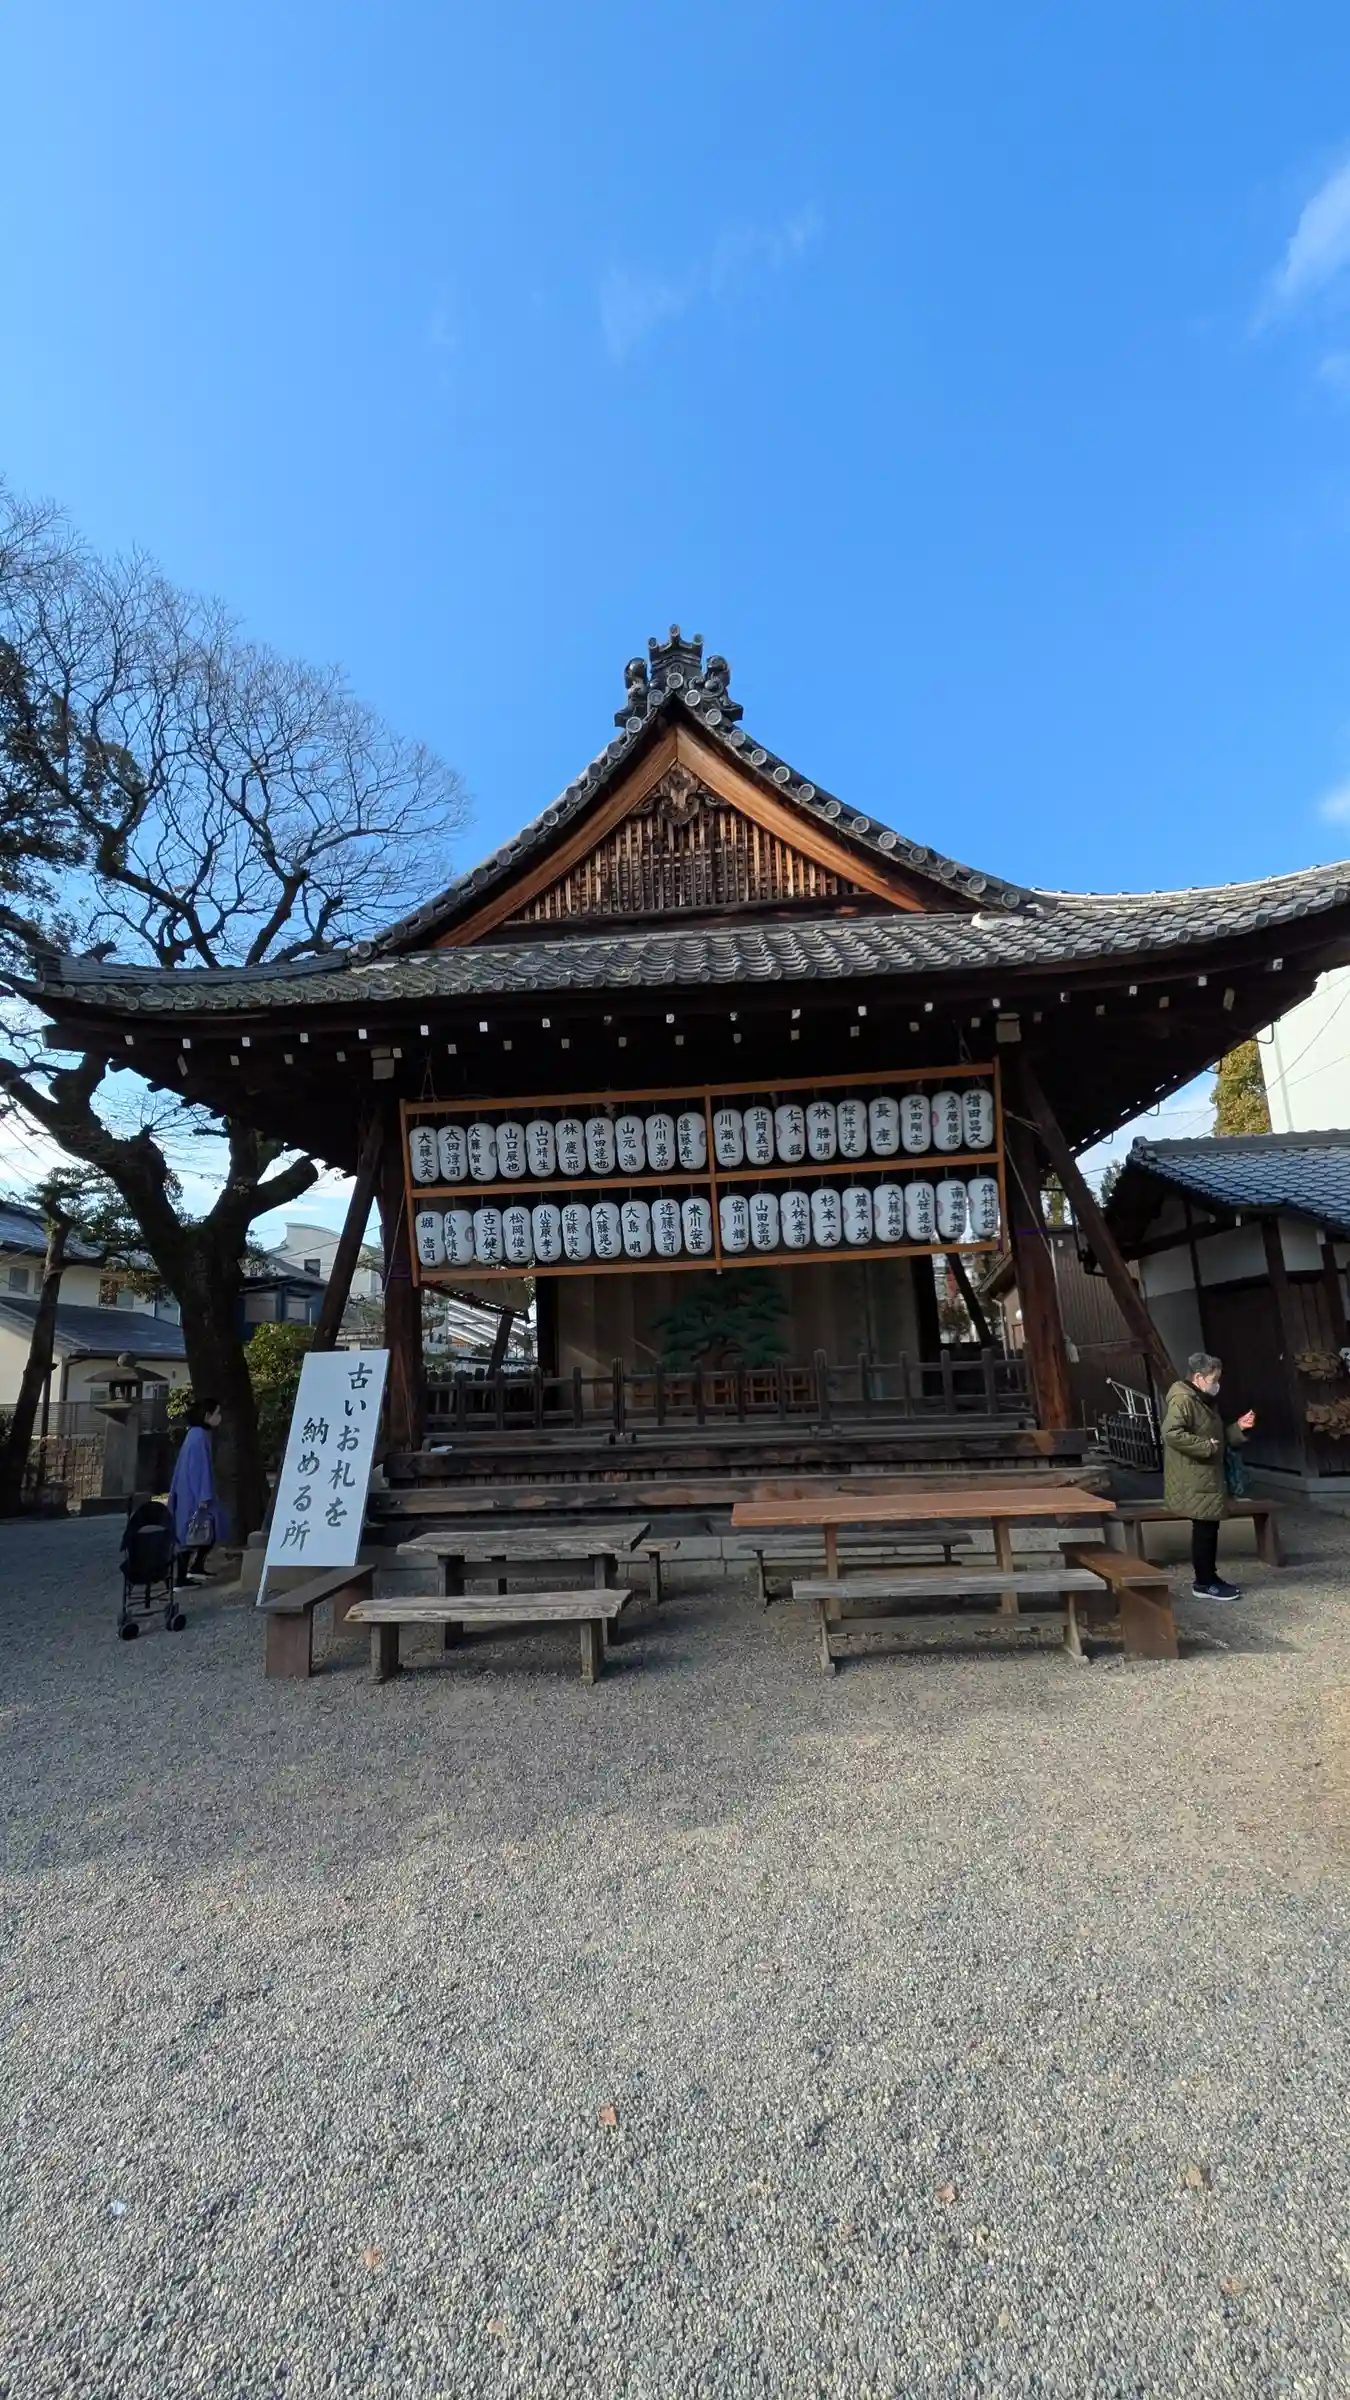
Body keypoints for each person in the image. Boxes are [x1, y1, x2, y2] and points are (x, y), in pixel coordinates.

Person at [1160, 1353, 1256, 1601]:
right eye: (1214, 1379)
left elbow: (1217, 1438)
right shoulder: (1184, 1399)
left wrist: (1238, 1428)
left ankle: (1209, 1579)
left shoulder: (1201, 1400)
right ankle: (1204, 1582)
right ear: (1198, 1377)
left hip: (1205, 1475)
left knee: (1208, 1528)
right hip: (1195, 1476)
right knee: (1205, 1529)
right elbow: (1171, 1433)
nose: (1217, 1384)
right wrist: (1205, 1446)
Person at [168, 1398, 224, 1586]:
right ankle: (182, 1576)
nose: (219, 1417)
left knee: (193, 1532)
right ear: (207, 1416)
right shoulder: (199, 1436)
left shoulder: (194, 1434)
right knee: (195, 1532)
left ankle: (192, 1570)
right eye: (217, 1413)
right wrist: (204, 1495)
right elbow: (200, 1468)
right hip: (195, 1494)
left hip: (187, 1491)